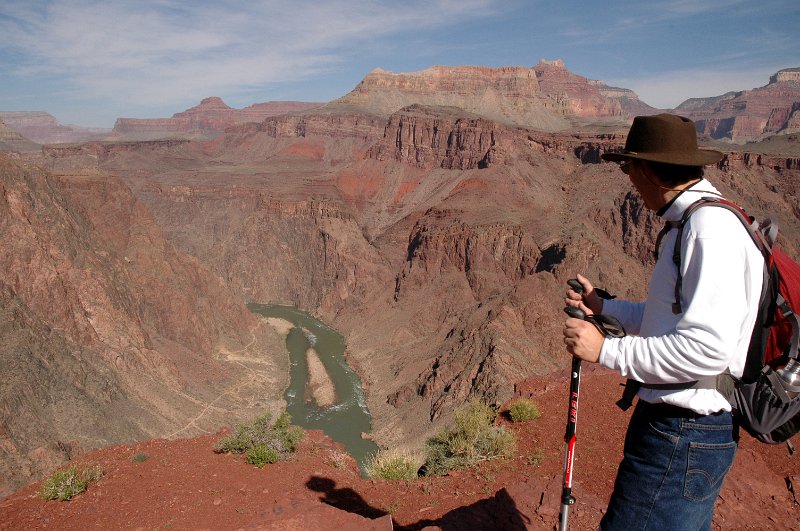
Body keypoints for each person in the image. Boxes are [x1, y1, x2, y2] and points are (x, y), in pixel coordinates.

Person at [562, 113, 764, 530]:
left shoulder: (709, 230)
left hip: (684, 434)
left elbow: (705, 350)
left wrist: (605, 350)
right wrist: (604, 307)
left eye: (628, 168)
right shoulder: (689, 221)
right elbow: (666, 320)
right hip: (676, 432)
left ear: (649, 169)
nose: (628, 181)